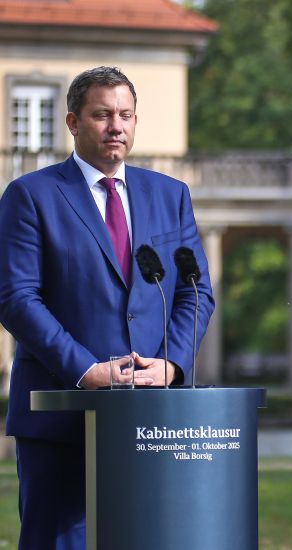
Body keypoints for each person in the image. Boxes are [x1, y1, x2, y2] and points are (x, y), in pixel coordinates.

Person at [0, 66, 214, 549]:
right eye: (102, 115)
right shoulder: (30, 196)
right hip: (61, 414)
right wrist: (86, 370)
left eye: (125, 115)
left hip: (151, 417)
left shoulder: (170, 195)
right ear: (73, 122)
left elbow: (195, 290)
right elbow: (16, 297)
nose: (116, 126)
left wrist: (172, 364)